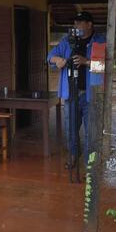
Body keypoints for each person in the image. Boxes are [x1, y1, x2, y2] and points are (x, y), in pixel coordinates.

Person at [47, 11, 106, 166]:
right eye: (75, 23)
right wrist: (57, 59)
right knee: (70, 129)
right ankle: (74, 155)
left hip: (90, 95)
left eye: (80, 23)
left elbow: (102, 66)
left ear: (89, 24)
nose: (76, 26)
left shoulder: (99, 40)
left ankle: (90, 162)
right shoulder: (68, 40)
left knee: (91, 132)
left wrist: (86, 61)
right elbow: (50, 57)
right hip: (71, 94)